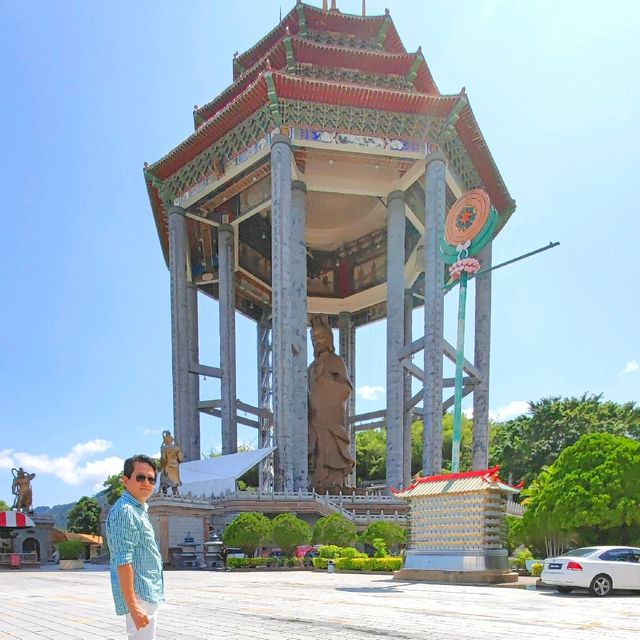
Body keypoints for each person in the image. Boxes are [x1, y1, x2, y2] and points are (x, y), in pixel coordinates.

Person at [106, 455, 164, 639]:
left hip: (147, 590)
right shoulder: (126, 512)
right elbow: (123, 560)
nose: (146, 483)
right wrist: (134, 606)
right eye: (140, 477)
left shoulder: (139, 509)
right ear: (125, 480)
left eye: (151, 479)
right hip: (139, 593)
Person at [307, 316, 355, 490]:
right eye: (314, 338)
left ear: (328, 338)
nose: (317, 342)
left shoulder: (336, 361)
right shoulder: (312, 367)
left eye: (320, 337)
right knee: (317, 446)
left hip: (331, 414)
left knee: (332, 446)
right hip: (315, 415)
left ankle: (334, 480)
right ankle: (318, 481)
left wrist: (325, 385)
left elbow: (346, 388)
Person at [158, 431, 184, 496]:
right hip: (175, 466)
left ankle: (163, 493)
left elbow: (163, 458)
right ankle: (175, 493)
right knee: (174, 481)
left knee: (164, 480)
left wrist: (162, 468)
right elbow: (181, 458)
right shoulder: (176, 448)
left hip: (167, 465)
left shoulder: (164, 448)